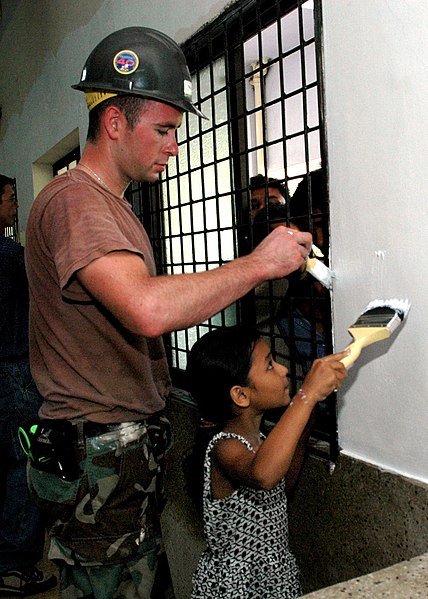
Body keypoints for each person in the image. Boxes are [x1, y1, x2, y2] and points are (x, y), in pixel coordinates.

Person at [24, 27, 313, 599]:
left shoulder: (114, 207)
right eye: (162, 130)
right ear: (113, 124)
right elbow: (147, 309)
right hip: (100, 455)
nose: (173, 146)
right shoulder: (75, 200)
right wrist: (256, 265)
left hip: (122, 456)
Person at [185, 326, 348, 598]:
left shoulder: (261, 439)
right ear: (241, 395)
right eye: (269, 365)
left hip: (273, 577)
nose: (283, 369)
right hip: (238, 587)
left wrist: (305, 425)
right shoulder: (224, 446)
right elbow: (263, 476)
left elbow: (280, 486)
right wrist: (304, 397)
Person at [0, 174, 57, 596]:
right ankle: (16, 565)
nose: (16, 206)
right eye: (10, 199)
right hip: (16, 373)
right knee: (28, 462)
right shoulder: (9, 256)